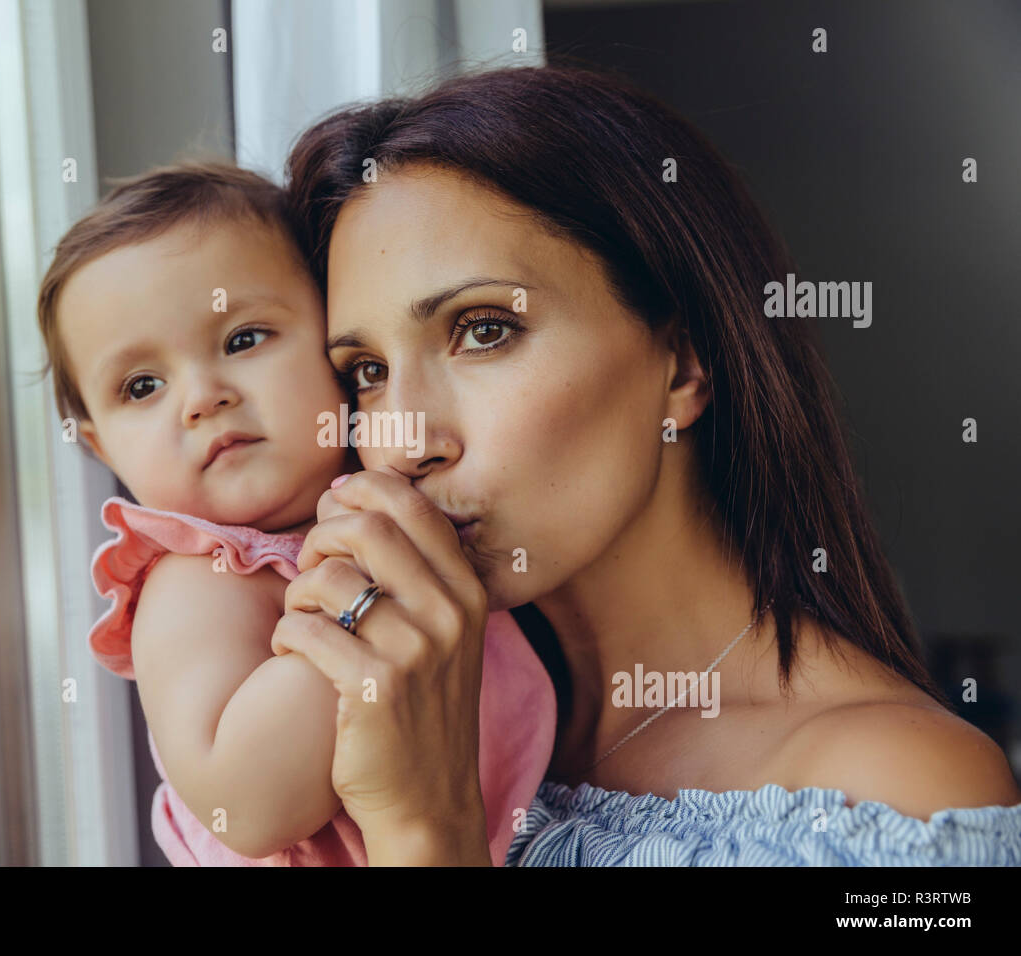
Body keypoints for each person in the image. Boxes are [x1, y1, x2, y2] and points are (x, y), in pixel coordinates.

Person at [275, 64, 1021, 865]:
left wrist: (424, 828)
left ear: (683, 364)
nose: (405, 441)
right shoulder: (407, 723)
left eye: (484, 329)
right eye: (367, 372)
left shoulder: (899, 796)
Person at [34, 161, 556, 865]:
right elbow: (244, 807)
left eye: (244, 339)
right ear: (100, 444)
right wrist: (371, 600)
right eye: (142, 385)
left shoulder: (401, 487)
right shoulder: (197, 581)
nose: (201, 397)